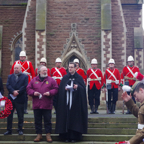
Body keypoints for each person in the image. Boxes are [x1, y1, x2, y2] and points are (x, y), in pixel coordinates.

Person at [55, 62, 87, 142]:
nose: (70, 69)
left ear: (75, 68)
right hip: (66, 103)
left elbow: (83, 89)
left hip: (76, 103)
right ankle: (65, 136)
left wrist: (77, 87)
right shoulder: (65, 77)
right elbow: (61, 89)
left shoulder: (79, 78)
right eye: (69, 67)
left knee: (75, 119)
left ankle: (74, 137)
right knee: (65, 117)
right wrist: (64, 89)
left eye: (72, 67)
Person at [27, 66, 58, 142]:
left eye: (46, 70)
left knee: (48, 120)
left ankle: (48, 135)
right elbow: (28, 89)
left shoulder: (51, 80)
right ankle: (39, 135)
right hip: (37, 104)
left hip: (47, 104)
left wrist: (50, 93)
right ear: (39, 72)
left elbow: (56, 88)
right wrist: (34, 93)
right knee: (37, 120)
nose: (45, 72)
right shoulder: (34, 80)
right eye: (43, 70)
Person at [4, 64, 28, 135]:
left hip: (20, 98)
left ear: (20, 69)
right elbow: (8, 85)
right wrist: (13, 91)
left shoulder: (25, 76)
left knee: (20, 116)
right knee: (9, 115)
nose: (16, 69)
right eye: (15, 68)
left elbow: (25, 86)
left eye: (17, 68)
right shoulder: (10, 76)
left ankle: (20, 129)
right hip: (11, 98)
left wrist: (18, 92)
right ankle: (9, 130)